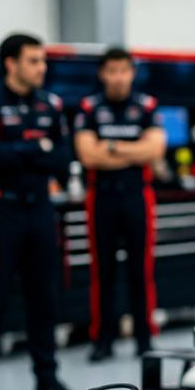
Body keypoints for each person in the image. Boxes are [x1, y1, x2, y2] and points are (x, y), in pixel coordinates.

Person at [0, 33, 84, 390]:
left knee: (44, 298)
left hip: (42, 210)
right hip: (1, 211)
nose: (41, 68)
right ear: (11, 63)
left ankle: (46, 379)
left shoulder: (52, 104)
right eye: (33, 61)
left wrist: (21, 153)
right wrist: (34, 148)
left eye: (43, 61)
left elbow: (62, 160)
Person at [74, 48, 167, 362]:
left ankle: (145, 338)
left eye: (123, 70)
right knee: (103, 271)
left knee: (141, 270)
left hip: (137, 196)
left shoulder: (146, 106)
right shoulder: (90, 107)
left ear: (132, 73)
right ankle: (103, 340)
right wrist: (133, 150)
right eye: (111, 71)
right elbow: (88, 156)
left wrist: (110, 147)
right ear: (102, 73)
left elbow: (154, 151)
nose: (117, 77)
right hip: (101, 197)